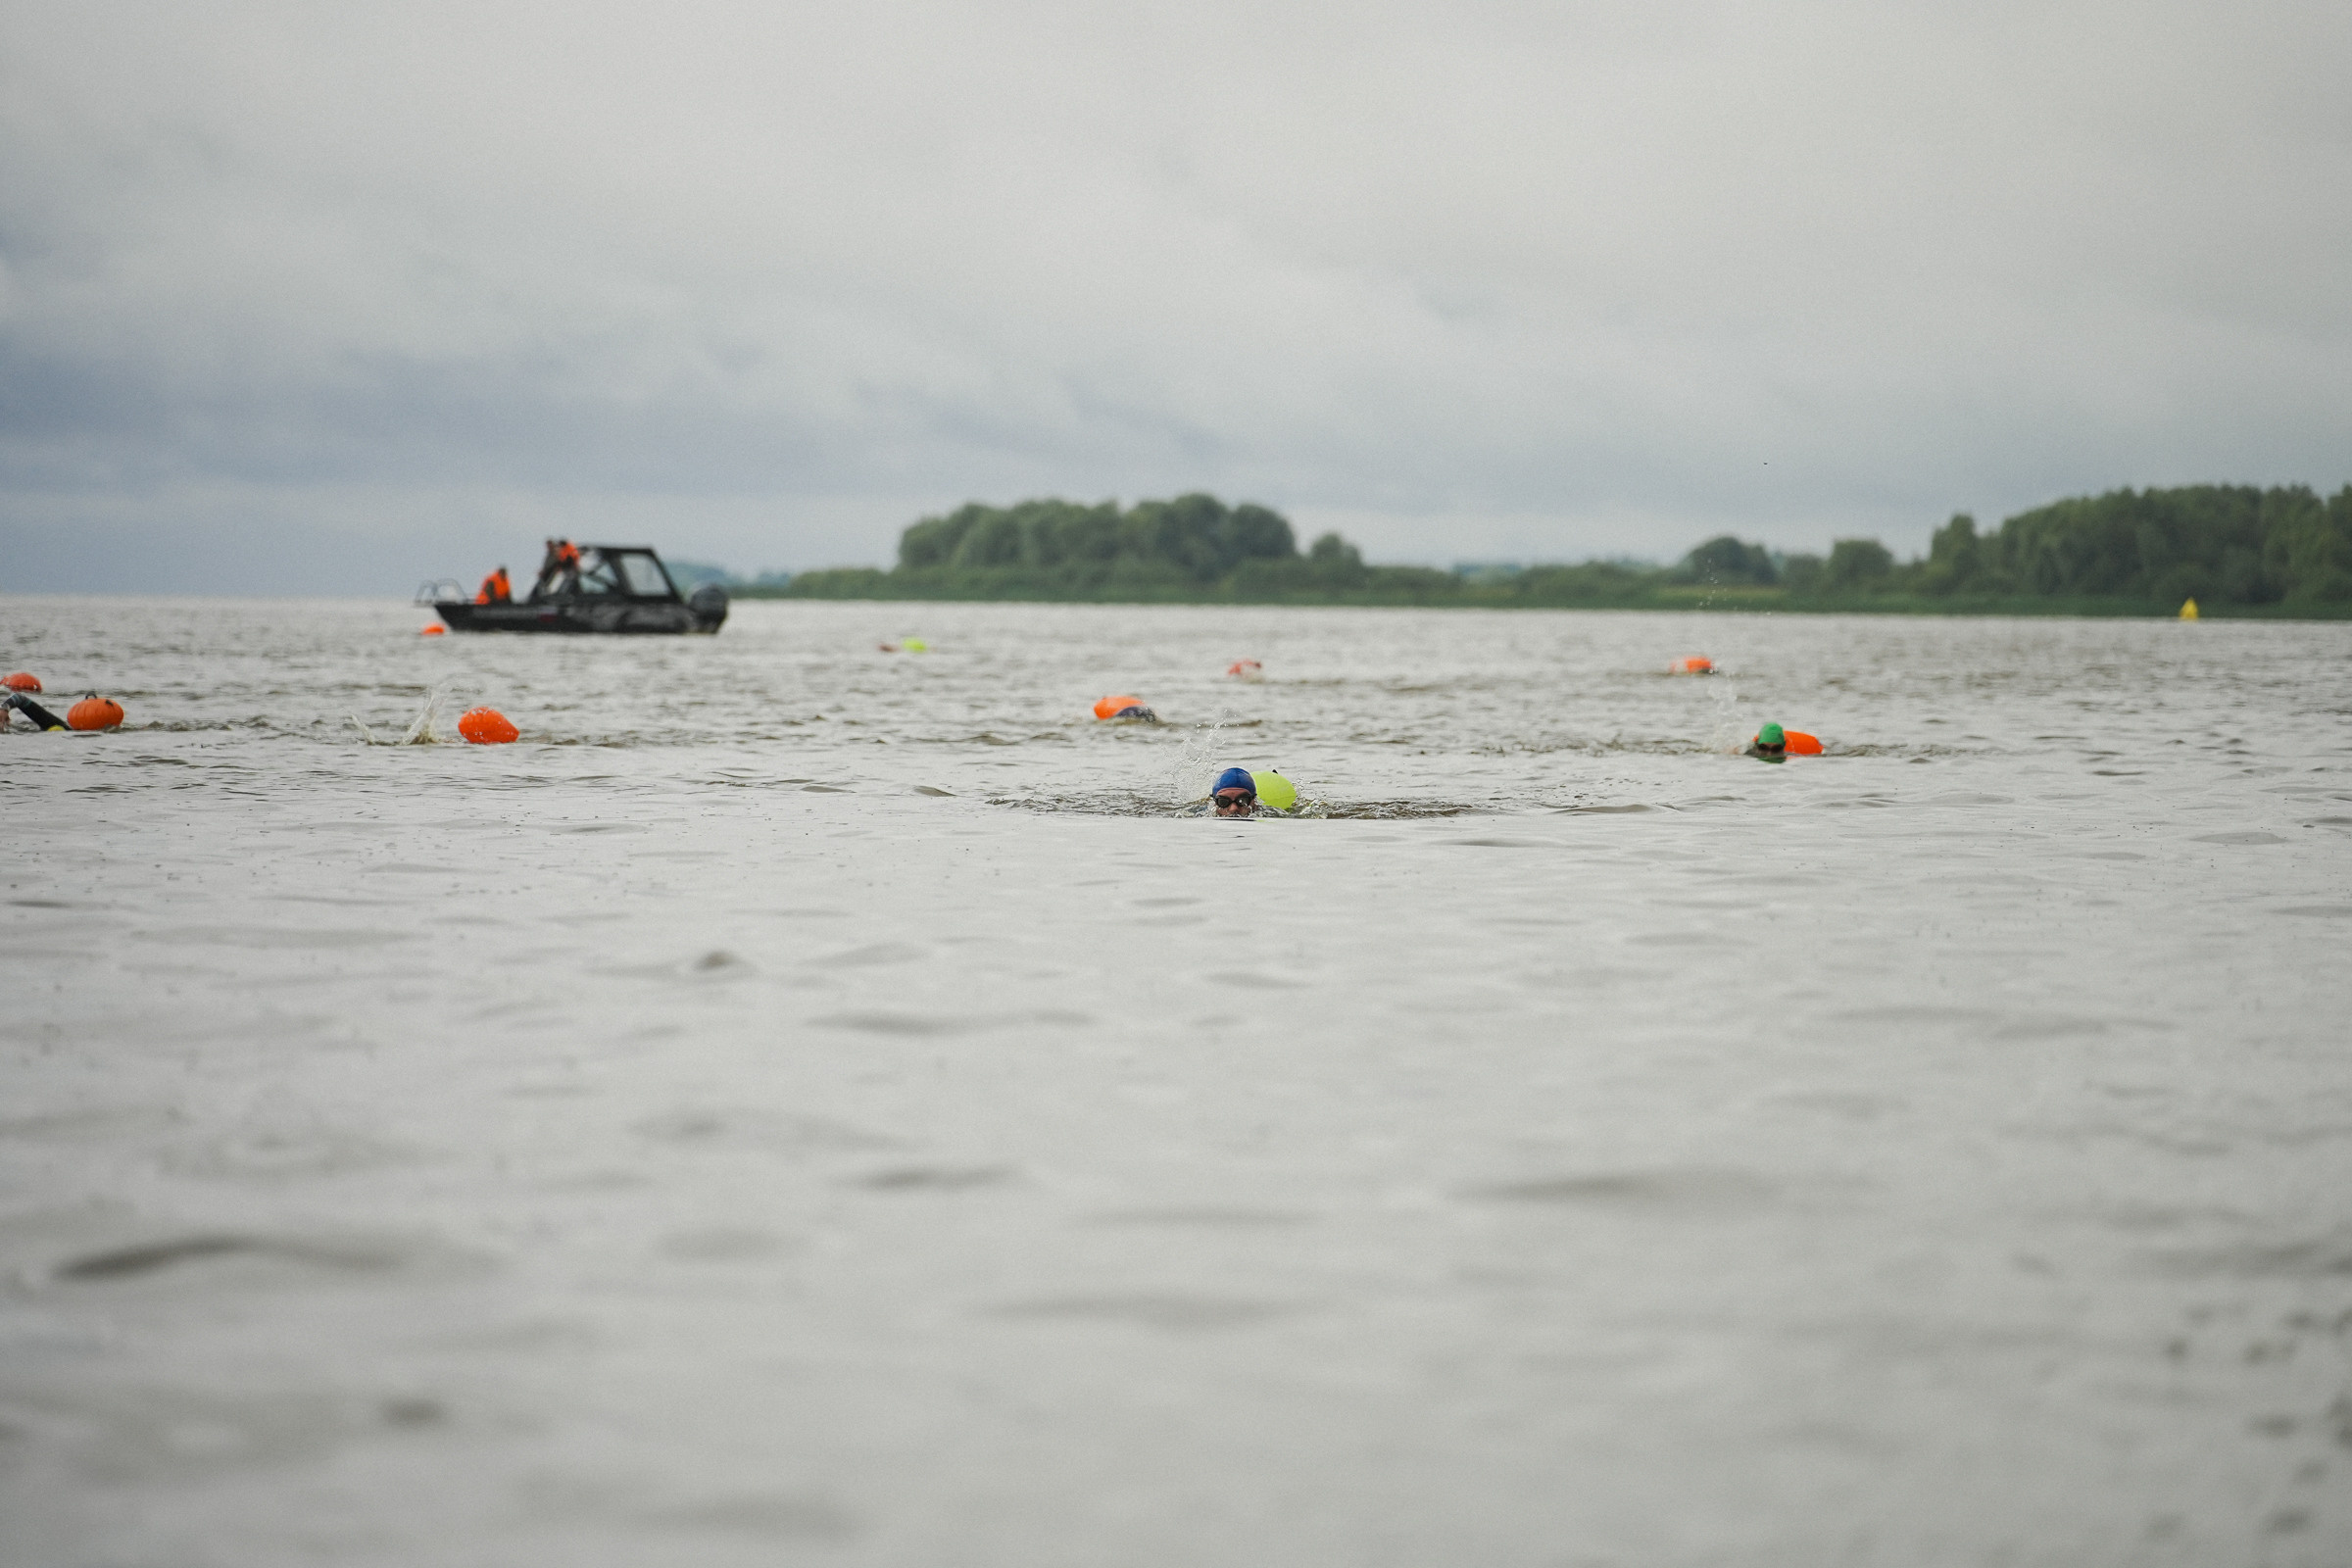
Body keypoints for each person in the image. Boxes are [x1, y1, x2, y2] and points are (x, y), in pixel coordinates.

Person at [2, 693, 67, 731]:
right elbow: (19, 698)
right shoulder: (55, 725)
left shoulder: (58, 727)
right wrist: (4, 710)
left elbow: (20, 699)